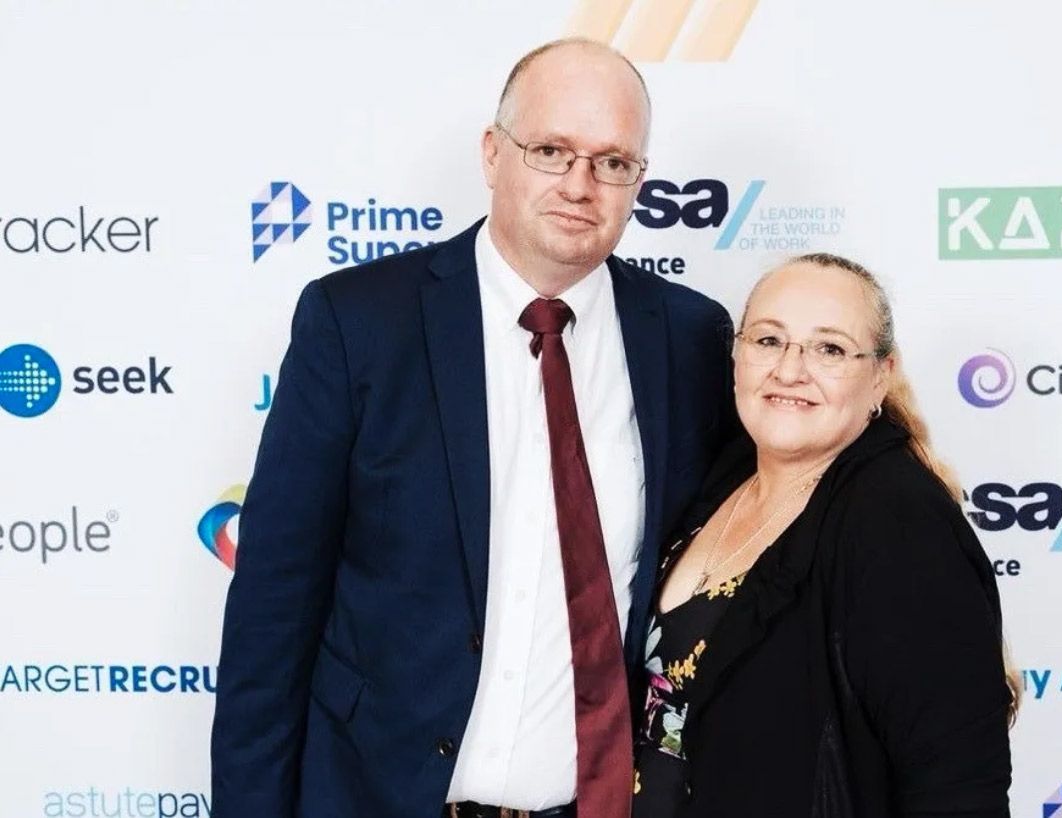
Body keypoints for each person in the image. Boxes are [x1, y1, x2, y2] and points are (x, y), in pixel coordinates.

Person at [210, 38, 736, 818]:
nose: (580, 186)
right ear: (494, 154)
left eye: (612, 163)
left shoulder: (690, 338)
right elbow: (272, 612)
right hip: (376, 798)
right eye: (551, 150)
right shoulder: (358, 323)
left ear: (639, 183)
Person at [631, 253, 1019, 817]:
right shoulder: (723, 475)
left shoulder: (898, 521)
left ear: (881, 375)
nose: (790, 370)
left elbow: (958, 785)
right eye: (768, 341)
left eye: (830, 349)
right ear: (736, 355)